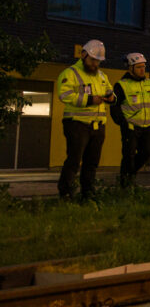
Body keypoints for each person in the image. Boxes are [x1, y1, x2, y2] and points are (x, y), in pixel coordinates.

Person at [55, 39, 114, 201]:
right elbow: (65, 95)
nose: (95, 64)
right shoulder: (70, 74)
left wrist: (111, 98)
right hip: (76, 124)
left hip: (98, 126)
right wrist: (89, 100)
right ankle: (65, 192)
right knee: (74, 160)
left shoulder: (102, 76)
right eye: (93, 60)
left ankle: (88, 193)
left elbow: (111, 92)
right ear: (83, 55)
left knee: (92, 162)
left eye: (98, 61)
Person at [111, 52, 150, 188]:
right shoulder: (121, 85)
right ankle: (125, 184)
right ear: (130, 68)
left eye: (144, 66)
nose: (143, 70)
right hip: (130, 126)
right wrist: (123, 122)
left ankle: (130, 175)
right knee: (129, 155)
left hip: (147, 126)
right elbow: (115, 106)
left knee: (146, 152)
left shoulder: (149, 83)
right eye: (139, 67)